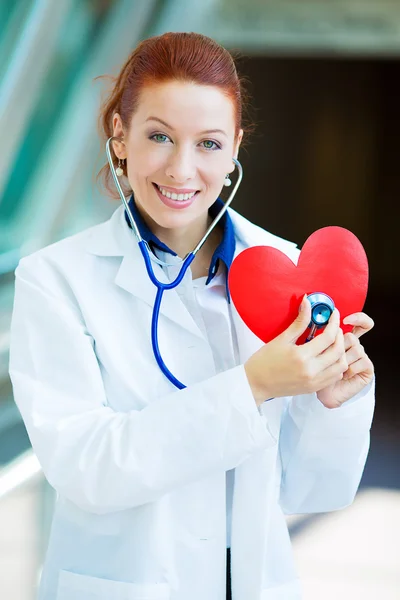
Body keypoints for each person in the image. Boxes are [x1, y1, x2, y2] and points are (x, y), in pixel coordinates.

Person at [9, 32, 375, 600]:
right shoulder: (56, 280)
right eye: (159, 136)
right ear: (120, 136)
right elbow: (87, 468)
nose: (182, 170)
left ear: (235, 149)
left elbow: (313, 493)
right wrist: (253, 387)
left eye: (208, 144)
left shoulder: (294, 272)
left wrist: (333, 405)